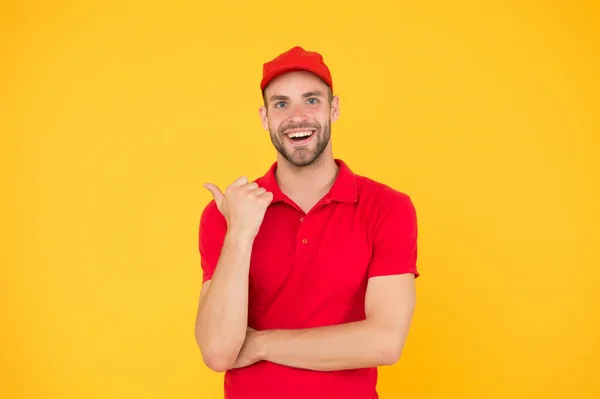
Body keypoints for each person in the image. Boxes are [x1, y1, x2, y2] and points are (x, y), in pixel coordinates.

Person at [195, 46, 419, 399]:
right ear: (264, 117)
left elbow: (385, 342)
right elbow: (218, 351)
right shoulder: (229, 213)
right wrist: (240, 232)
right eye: (281, 104)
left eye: (311, 101)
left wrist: (259, 345)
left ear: (334, 109)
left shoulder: (388, 207)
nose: (297, 116)